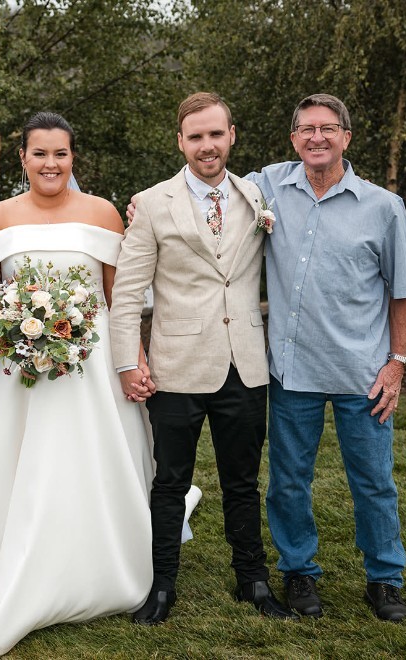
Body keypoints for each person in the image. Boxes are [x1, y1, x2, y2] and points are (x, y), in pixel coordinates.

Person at [0, 112, 199, 657]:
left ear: (73, 157)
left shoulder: (102, 213)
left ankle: (102, 564)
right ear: (23, 158)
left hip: (92, 370)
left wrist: (135, 360)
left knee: (94, 463)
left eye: (60, 153)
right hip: (20, 374)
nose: (50, 163)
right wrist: (17, 334)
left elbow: (119, 300)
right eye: (40, 153)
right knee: (13, 467)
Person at [109, 92, 296, 625]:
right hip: (176, 365)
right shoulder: (152, 203)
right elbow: (128, 293)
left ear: (231, 135)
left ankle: (253, 580)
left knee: (243, 482)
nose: (207, 145)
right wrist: (127, 362)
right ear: (180, 142)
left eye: (216, 134)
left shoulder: (256, 195)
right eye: (196, 136)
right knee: (169, 482)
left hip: (246, 364)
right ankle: (161, 586)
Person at [246, 94, 406, 622]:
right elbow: (206, 188)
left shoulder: (383, 207)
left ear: (346, 136)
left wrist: (396, 363)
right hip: (292, 371)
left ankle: (384, 580)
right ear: (293, 138)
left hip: (362, 374)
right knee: (288, 482)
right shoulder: (266, 186)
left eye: (327, 128)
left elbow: (403, 293)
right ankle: (299, 571)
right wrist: (139, 206)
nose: (316, 137)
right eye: (306, 129)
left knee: (374, 482)